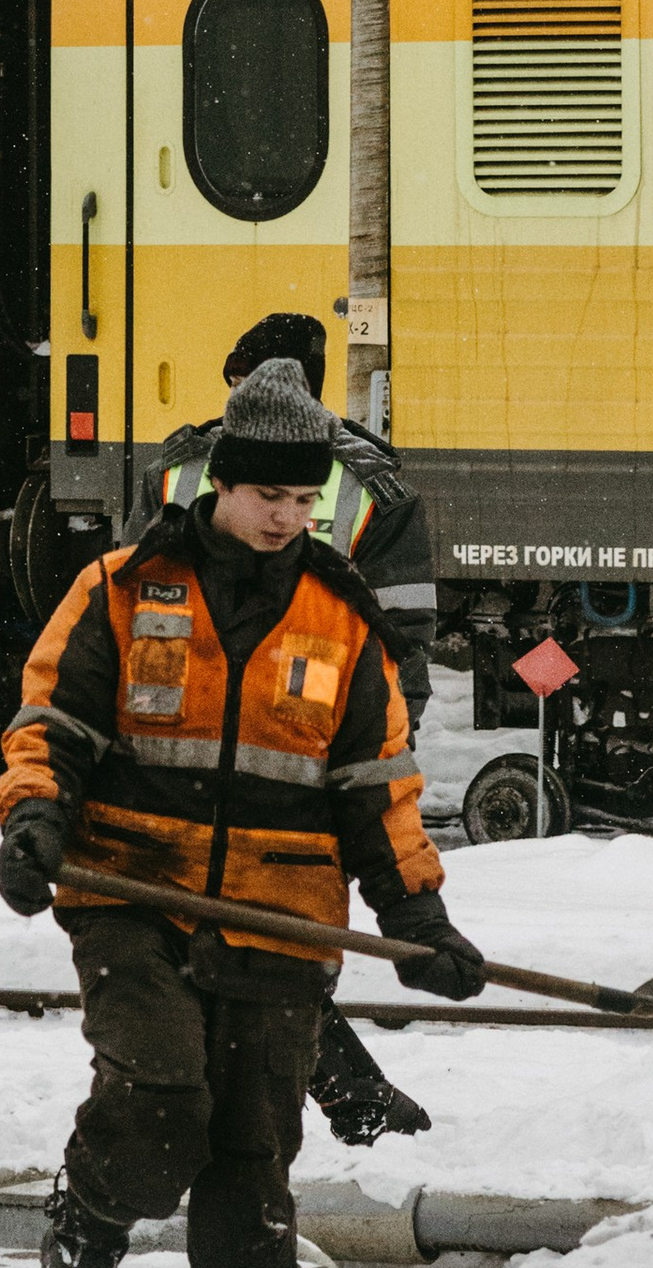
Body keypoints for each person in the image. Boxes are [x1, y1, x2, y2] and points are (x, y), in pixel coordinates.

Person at [0, 354, 484, 1268]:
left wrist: (419, 913)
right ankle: (83, 1228)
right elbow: (52, 722)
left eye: (305, 499)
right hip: (133, 895)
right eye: (270, 495)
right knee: (164, 1094)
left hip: (281, 920)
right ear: (221, 483)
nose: (287, 517)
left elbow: (376, 786)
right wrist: (36, 820)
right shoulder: (125, 590)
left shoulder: (342, 619)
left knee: (252, 1156)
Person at [144, 310, 442, 1146]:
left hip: (193, 728)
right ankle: (343, 1092)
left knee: (251, 925)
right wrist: (387, 734)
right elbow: (404, 630)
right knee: (263, 920)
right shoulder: (376, 481)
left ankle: (334, 1092)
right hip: (316, 729)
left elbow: (138, 602)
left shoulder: (179, 463)